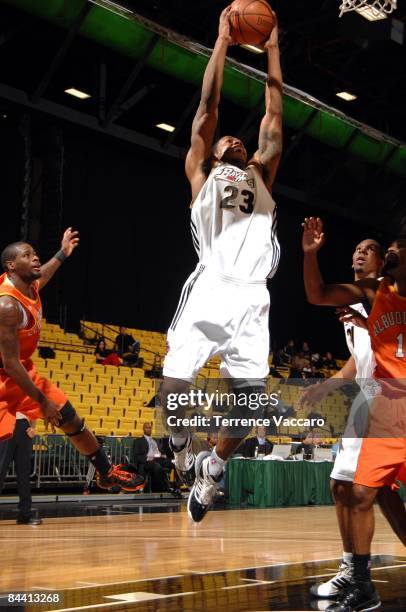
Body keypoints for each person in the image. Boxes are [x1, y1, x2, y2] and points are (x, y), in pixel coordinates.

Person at [159, 6, 283, 523]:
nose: (234, 138)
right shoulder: (200, 172)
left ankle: (213, 466)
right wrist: (222, 42)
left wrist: (272, 47)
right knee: (173, 386)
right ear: (212, 155)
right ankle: (181, 441)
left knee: (249, 403)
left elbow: (274, 119)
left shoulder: (260, 174)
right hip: (211, 285)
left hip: (254, 292)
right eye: (225, 140)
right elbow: (208, 105)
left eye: (240, 139)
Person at [302, 217, 406, 611]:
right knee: (351, 488)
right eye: (355, 250)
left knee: (376, 493)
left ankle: (356, 574)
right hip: (374, 399)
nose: (359, 253)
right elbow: (357, 359)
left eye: (370, 249)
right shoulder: (364, 298)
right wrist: (327, 385)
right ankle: (356, 574)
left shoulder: (378, 299)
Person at [0, 231, 143, 493]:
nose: (35, 258)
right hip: (5, 379)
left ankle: (105, 472)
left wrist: (63, 253)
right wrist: (43, 402)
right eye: (27, 255)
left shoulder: (29, 286)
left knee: (71, 419)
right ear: (11, 265)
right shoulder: (8, 305)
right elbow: (9, 364)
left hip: (21, 373)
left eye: (35, 254)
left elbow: (44, 273)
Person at [0, 412, 41, 525]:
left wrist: (33, 427)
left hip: (24, 427)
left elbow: (33, 408)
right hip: (5, 423)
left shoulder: (28, 394)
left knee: (24, 473)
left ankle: (25, 514)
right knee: (0, 471)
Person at [131, 422, 173, 492]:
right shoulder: (138, 441)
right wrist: (148, 458)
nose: (149, 429)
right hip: (146, 462)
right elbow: (136, 456)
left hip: (158, 459)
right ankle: (157, 489)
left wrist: (162, 455)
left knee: (173, 463)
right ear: (143, 429)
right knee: (157, 466)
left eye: (150, 428)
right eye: (147, 428)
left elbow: (158, 452)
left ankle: (175, 486)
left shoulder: (154, 441)